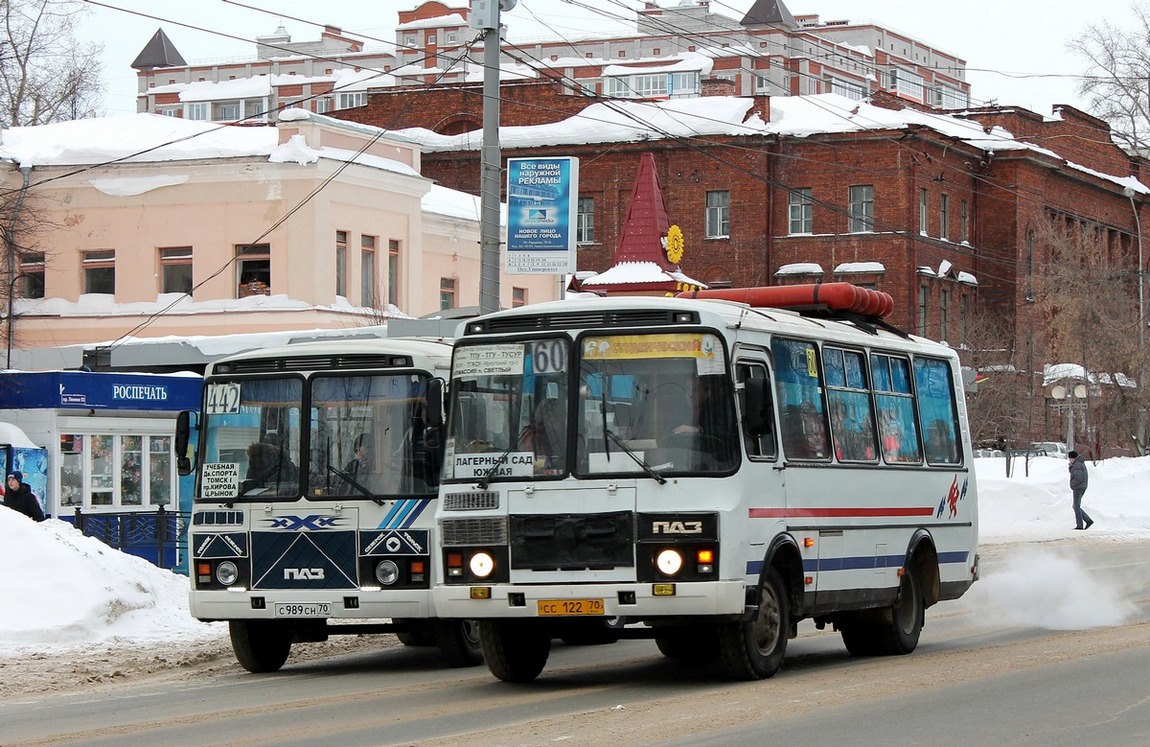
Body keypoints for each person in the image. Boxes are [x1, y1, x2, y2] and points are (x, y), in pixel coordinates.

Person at [1068, 450, 1094, 530]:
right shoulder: (1079, 463)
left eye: (1070, 458)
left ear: (1073, 458)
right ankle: (1087, 520)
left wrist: (1073, 483)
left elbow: (1078, 477)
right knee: (1076, 506)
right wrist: (1070, 466)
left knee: (1076, 506)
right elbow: (1074, 473)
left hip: (1078, 487)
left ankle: (1080, 525)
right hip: (1081, 486)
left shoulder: (1077, 465)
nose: (1069, 460)